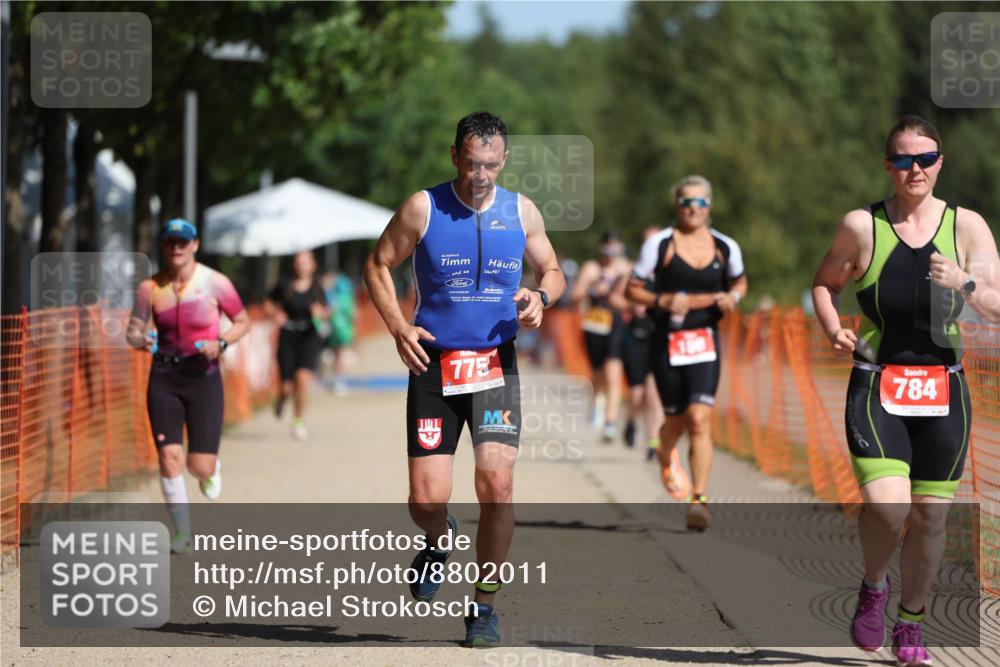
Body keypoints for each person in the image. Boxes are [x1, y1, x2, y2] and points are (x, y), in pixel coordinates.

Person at [363, 112, 565, 647]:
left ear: (505, 162)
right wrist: (398, 326)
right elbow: (378, 264)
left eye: (491, 166)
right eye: (472, 164)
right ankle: (439, 535)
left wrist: (540, 297)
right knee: (426, 499)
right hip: (434, 364)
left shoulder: (520, 211)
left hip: (495, 365)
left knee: (497, 487)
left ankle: (484, 606)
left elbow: (553, 270)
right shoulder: (422, 207)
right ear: (455, 156)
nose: (480, 176)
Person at [812, 114, 1000, 666]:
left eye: (924, 159)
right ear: (887, 164)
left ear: (940, 163)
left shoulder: (968, 227)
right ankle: (874, 587)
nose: (913, 169)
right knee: (890, 511)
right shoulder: (860, 226)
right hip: (877, 384)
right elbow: (825, 283)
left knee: (931, 518)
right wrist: (832, 328)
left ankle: (912, 622)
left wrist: (962, 283)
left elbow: (995, 305)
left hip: (944, 389)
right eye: (902, 159)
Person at [627, 175, 747, 531]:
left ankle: (699, 499)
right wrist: (661, 299)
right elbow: (632, 289)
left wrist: (734, 297)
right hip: (667, 341)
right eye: (686, 202)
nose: (692, 209)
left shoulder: (726, 246)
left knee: (699, 417)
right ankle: (666, 454)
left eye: (699, 203)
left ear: (709, 206)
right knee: (676, 420)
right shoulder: (659, 244)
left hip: (705, 341)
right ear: (676, 205)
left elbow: (740, 280)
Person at [126, 218, 249, 552]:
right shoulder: (148, 288)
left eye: (183, 241)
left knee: (199, 466)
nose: (177, 247)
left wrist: (221, 343)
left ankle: (211, 468)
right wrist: (139, 338)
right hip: (164, 377)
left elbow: (242, 322)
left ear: (195, 245)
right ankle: (182, 532)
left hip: (203, 376)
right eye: (170, 242)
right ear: (163, 247)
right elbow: (133, 330)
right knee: (168, 457)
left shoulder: (215, 282)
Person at [570, 232, 631, 441]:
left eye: (614, 252)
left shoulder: (625, 269)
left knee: (613, 372)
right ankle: (597, 402)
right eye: (607, 251)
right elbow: (575, 295)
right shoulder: (591, 268)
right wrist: (593, 291)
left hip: (615, 324)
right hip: (594, 324)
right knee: (597, 372)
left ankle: (611, 422)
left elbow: (629, 300)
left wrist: (616, 298)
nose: (610, 256)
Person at [265, 250, 329, 442]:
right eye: (299, 262)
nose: (302, 265)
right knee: (286, 387)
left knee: (302, 379)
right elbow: (268, 303)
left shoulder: (317, 286)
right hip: (288, 336)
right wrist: (275, 314)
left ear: (313, 265)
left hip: (309, 336)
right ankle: (281, 400)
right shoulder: (284, 284)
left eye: (306, 262)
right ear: (294, 264)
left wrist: (321, 313)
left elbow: (326, 310)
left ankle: (298, 421)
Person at [614, 227, 664, 459]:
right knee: (637, 395)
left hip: (658, 338)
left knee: (654, 392)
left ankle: (654, 441)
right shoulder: (634, 272)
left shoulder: (668, 272)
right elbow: (614, 297)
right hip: (634, 339)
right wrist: (631, 305)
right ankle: (632, 421)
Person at [320, 268, 357, 394]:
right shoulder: (343, 297)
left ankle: (335, 378)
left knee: (337, 355)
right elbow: (352, 314)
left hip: (335, 329)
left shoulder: (333, 295)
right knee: (340, 355)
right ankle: (337, 380)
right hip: (340, 330)